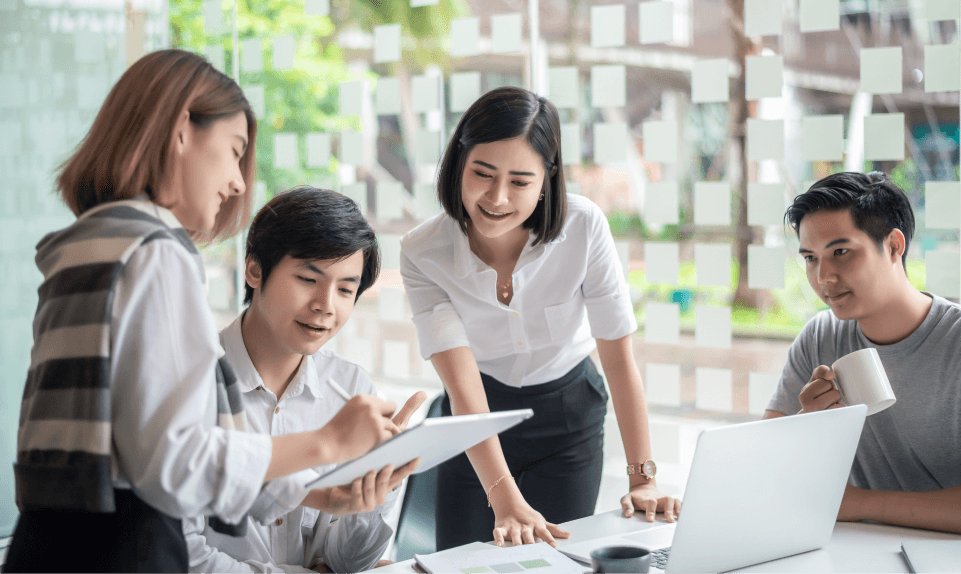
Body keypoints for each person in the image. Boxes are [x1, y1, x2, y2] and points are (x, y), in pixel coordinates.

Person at [6, 50, 400, 573]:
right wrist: (327, 442)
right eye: (235, 151)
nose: (239, 182)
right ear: (182, 130)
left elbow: (131, 444)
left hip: (50, 544)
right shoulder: (155, 252)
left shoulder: (87, 246)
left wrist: (317, 496)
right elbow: (172, 464)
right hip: (126, 551)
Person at [400, 86, 679, 551]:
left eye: (520, 182)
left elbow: (618, 358)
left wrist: (642, 478)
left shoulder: (584, 227)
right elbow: (461, 382)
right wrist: (502, 495)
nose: (497, 197)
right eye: (482, 174)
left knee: (557, 558)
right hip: (477, 418)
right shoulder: (422, 251)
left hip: (569, 413)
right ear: (457, 164)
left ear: (547, 178)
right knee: (466, 563)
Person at [184, 187, 427, 573]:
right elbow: (184, 557)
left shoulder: (351, 388)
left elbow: (346, 562)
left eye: (346, 289)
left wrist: (381, 485)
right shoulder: (191, 385)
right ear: (254, 270)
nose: (325, 306)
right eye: (308, 279)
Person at [764, 171, 961, 537]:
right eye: (810, 258)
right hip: (855, 552)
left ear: (894, 246)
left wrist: (860, 504)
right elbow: (762, 472)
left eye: (841, 252)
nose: (824, 278)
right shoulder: (819, 337)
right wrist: (805, 427)